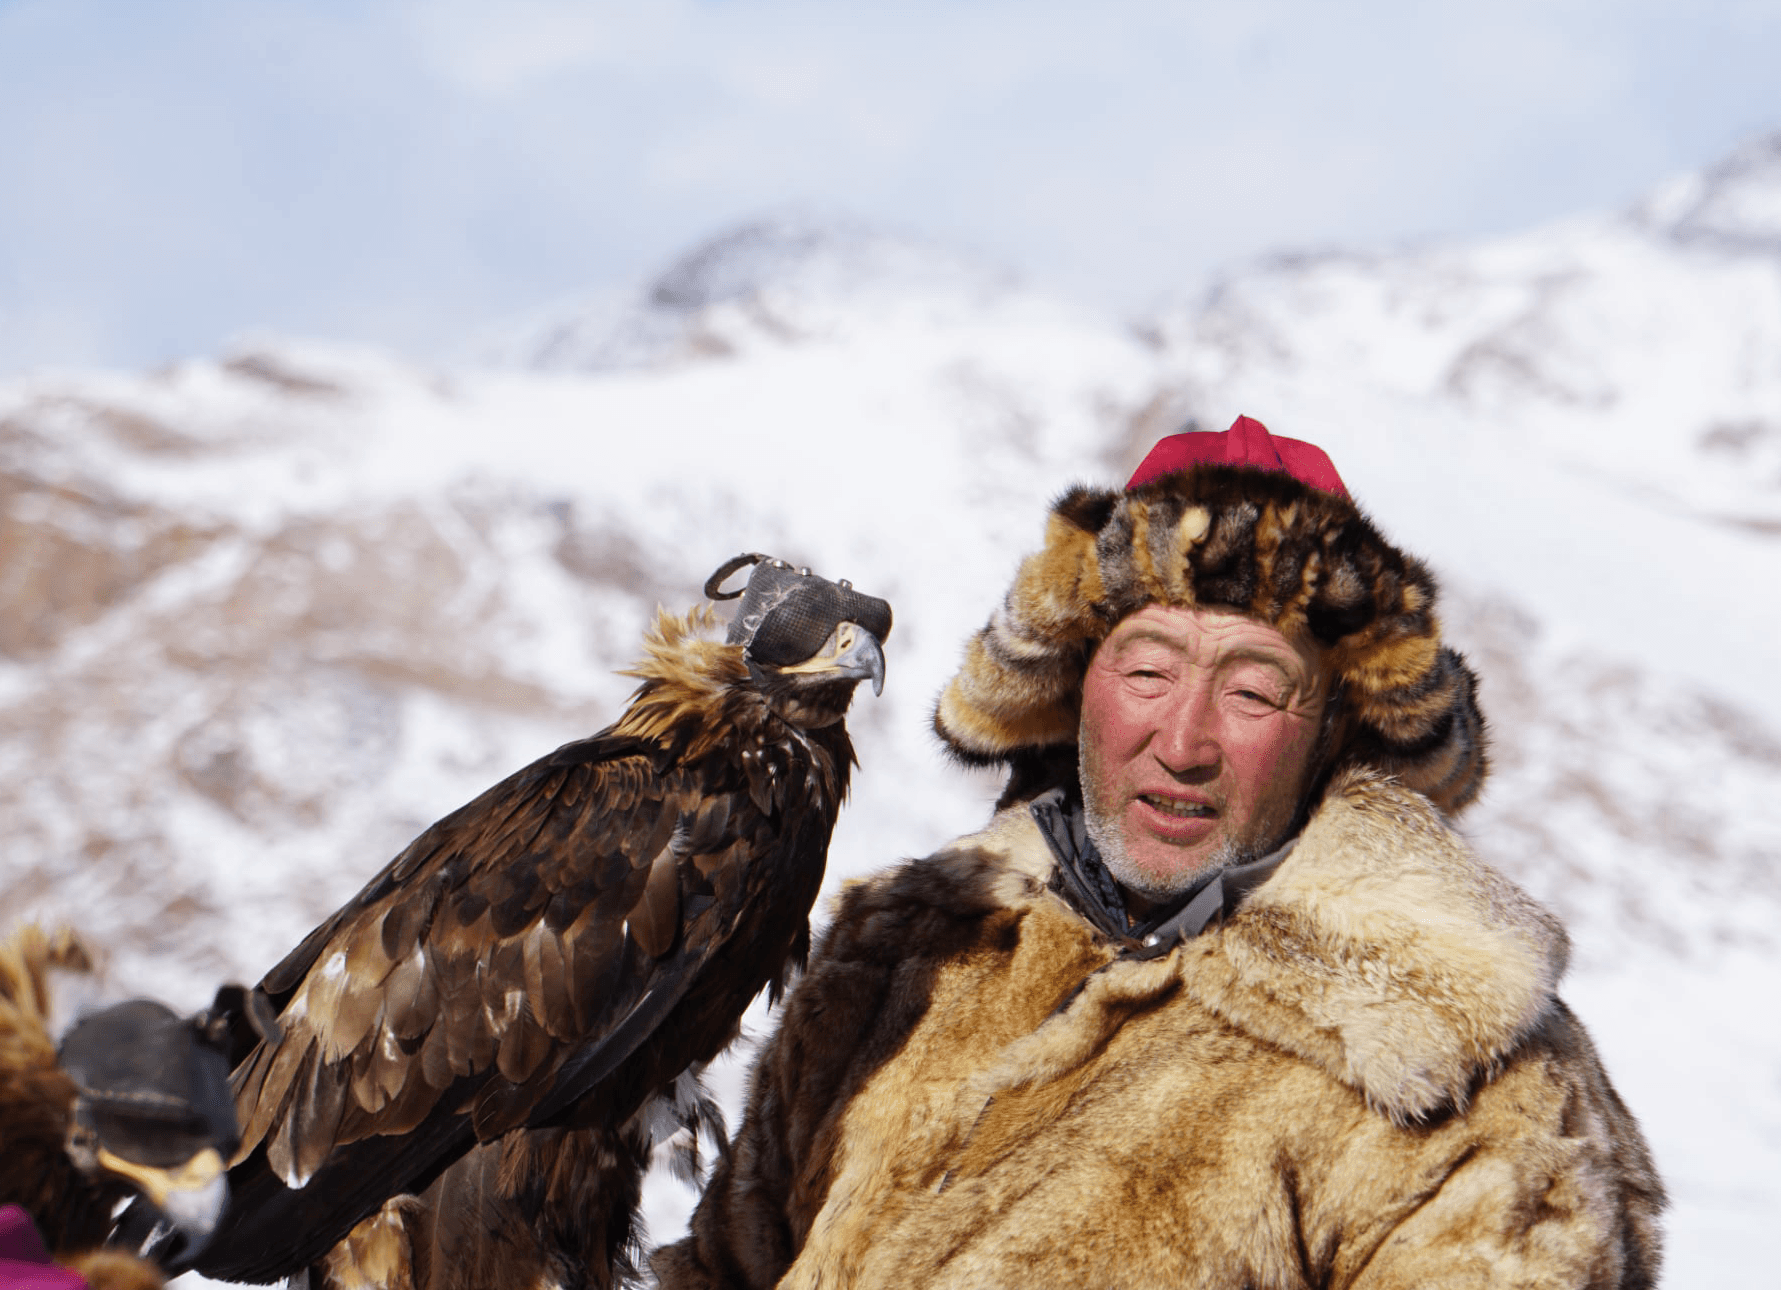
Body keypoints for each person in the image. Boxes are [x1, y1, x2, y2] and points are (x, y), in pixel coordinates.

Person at [654, 417, 1665, 1290]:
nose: (1181, 743)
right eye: (1145, 670)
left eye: (1252, 691)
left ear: (1332, 731)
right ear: (1068, 690)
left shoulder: (1452, 1065)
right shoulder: (897, 965)